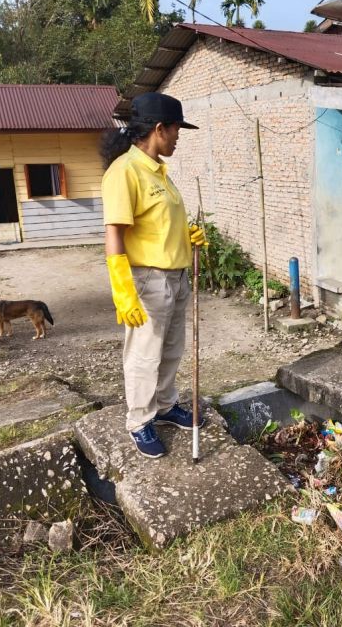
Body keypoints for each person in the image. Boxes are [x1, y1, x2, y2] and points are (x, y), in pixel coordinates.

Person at [100, 92, 208, 459]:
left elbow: (156, 224)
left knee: (171, 349)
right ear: (159, 129)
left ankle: (165, 406)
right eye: (176, 130)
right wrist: (123, 290)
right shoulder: (125, 172)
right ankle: (140, 421)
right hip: (148, 278)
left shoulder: (159, 171)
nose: (179, 137)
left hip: (176, 276)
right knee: (145, 353)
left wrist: (187, 234)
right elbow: (115, 232)